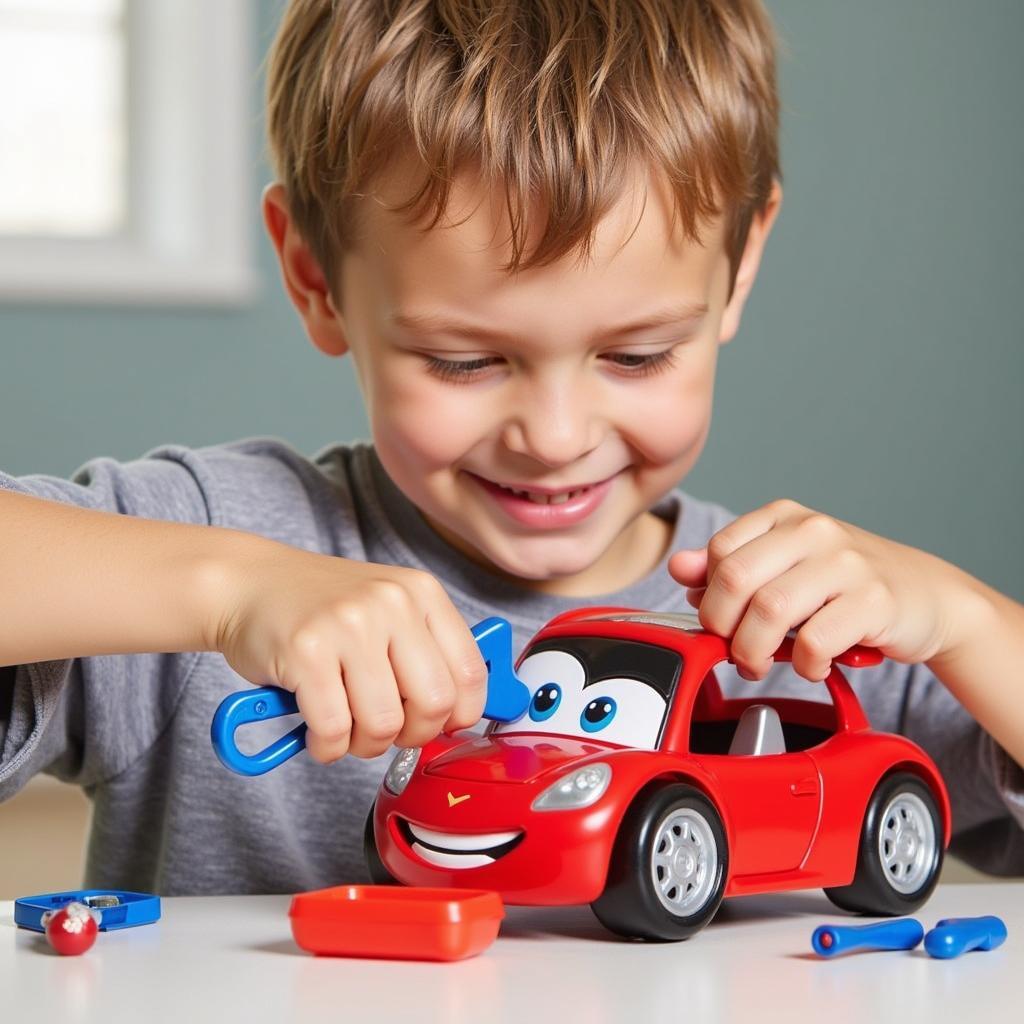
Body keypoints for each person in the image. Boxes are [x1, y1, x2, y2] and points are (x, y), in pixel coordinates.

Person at [1, 0, 1022, 895]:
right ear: (315, 279)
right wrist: (225, 592)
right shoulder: (221, 542)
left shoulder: (799, 644)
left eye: (635, 354)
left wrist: (969, 624)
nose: (556, 436)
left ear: (740, 265)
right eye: (465, 361)